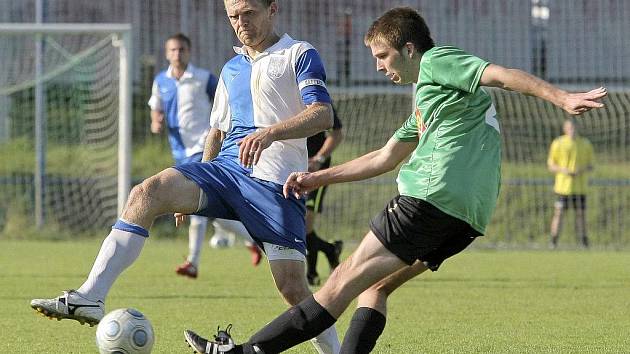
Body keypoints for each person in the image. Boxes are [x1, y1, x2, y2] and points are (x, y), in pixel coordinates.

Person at [182, 7, 607, 354]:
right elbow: (384, 157)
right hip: (467, 219)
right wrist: (317, 178)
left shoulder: (437, 61)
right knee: (376, 288)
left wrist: (561, 98)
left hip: (429, 198)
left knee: (339, 282)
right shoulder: (429, 105)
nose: (380, 67)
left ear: (408, 48)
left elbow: (501, 74)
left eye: (383, 57)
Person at [31, 0, 341, 352]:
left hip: (276, 185)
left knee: (293, 290)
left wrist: (270, 133)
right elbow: (216, 132)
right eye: (233, 16)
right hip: (224, 172)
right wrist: (196, 184)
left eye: (249, 13)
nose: (241, 22)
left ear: (272, 10)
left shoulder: (299, 53)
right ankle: (91, 296)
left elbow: (322, 114)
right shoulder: (231, 69)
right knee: (147, 192)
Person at [148, 33, 261, 278]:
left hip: (203, 146)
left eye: (181, 50)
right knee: (211, 211)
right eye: (173, 50)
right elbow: (156, 108)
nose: (177, 54)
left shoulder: (203, 78)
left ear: (189, 52)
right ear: (167, 53)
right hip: (180, 150)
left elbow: (225, 102)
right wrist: (156, 121)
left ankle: (193, 262)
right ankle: (253, 238)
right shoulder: (161, 81)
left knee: (195, 202)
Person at [305, 107, 344, 286]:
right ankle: (330, 249)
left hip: (316, 172)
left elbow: (336, 134)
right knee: (298, 224)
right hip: (291, 168)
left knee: (306, 222)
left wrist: (318, 159)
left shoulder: (317, 98)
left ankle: (311, 273)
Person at [547, 118, 594, 249]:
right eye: (569, 128)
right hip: (563, 188)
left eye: (574, 128)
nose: (572, 131)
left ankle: (584, 242)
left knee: (581, 215)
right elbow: (551, 165)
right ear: (565, 129)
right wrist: (563, 170)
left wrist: (581, 170)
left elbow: (591, 165)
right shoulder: (558, 143)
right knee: (559, 214)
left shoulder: (585, 144)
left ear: (577, 128)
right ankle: (553, 241)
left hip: (580, 188)